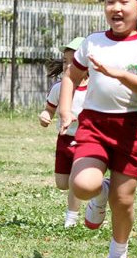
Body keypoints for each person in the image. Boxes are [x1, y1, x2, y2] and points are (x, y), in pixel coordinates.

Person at [58, 0, 137, 258]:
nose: (115, 7)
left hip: (132, 128)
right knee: (82, 184)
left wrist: (120, 74)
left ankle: (118, 251)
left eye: (123, 1)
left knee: (123, 200)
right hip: (94, 124)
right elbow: (71, 77)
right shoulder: (92, 41)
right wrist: (66, 110)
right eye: (109, 1)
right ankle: (99, 192)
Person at [38, 36, 87, 228]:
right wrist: (45, 116)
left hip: (85, 142)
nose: (68, 66)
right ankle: (99, 188)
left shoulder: (94, 89)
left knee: (76, 181)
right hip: (64, 140)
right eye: (65, 61)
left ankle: (71, 218)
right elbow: (49, 110)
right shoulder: (58, 88)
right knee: (62, 183)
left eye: (73, 61)